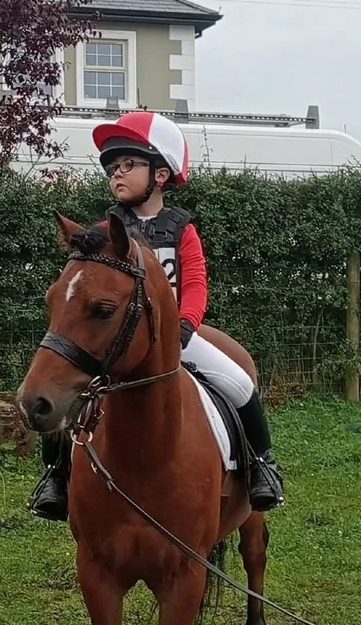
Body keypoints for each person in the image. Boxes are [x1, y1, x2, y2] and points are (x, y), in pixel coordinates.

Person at [29, 109, 284, 521]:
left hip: (174, 336)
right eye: (113, 167)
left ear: (160, 175)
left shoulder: (181, 228)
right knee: (70, 393)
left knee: (239, 384)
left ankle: (261, 467)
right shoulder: (105, 232)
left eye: (128, 165)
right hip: (122, 341)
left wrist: (185, 325)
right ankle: (55, 477)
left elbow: (197, 282)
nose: (117, 174)